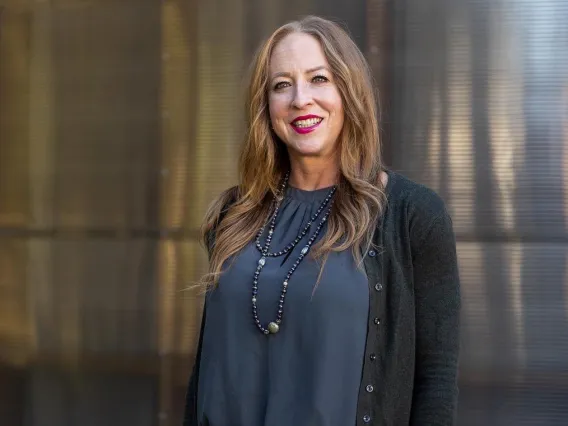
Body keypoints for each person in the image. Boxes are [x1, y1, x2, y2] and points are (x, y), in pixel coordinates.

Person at [183, 15, 460, 426]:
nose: (300, 99)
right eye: (281, 85)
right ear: (267, 105)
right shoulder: (234, 214)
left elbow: (435, 380)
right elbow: (209, 366)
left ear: (350, 90)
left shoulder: (411, 214)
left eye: (319, 79)